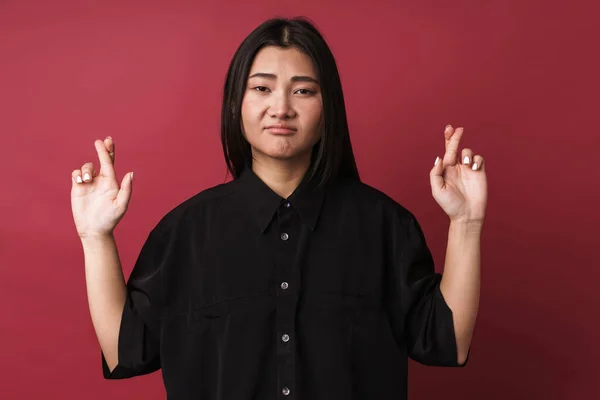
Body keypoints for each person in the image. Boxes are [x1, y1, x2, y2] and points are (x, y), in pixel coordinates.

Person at [71, 17, 486, 400]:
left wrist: (466, 223)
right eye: (262, 88)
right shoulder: (186, 232)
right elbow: (124, 350)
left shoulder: (382, 225)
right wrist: (95, 238)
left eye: (303, 90)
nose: (282, 107)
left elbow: (447, 341)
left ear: (328, 110)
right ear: (236, 104)